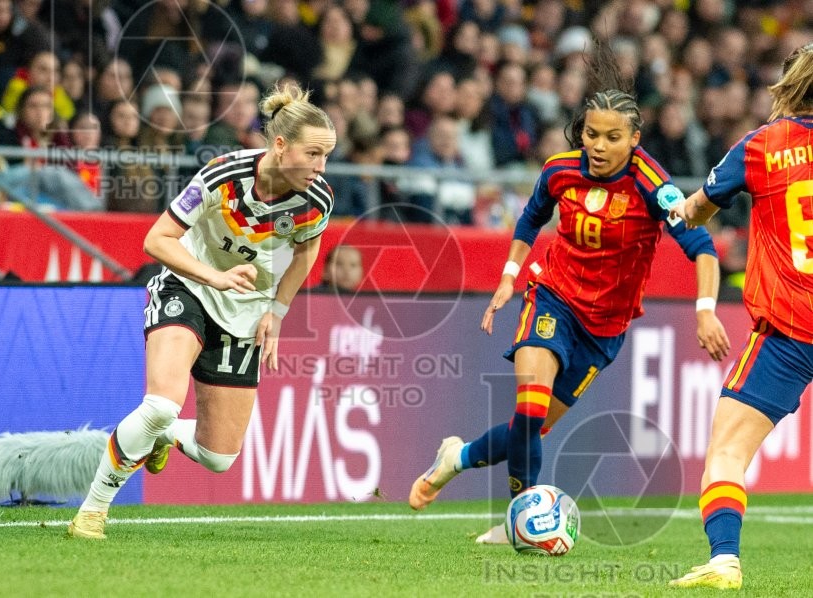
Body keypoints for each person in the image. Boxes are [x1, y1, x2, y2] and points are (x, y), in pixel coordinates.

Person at [407, 38, 732, 543]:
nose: (598, 146)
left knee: (528, 428)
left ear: (635, 139)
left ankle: (456, 457)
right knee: (530, 406)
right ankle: (520, 517)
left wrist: (706, 311)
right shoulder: (560, 170)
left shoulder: (653, 184)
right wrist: (508, 279)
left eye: (611, 137)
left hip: (605, 329)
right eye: (590, 134)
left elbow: (702, 245)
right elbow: (531, 218)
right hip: (553, 296)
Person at [68, 82, 337, 540]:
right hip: (189, 287)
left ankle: (166, 436)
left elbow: (307, 254)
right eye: (313, 154)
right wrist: (212, 276)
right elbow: (156, 240)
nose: (321, 166)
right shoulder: (221, 175)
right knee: (159, 403)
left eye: (326, 156)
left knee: (219, 457)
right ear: (279, 144)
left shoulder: (317, 201)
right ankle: (92, 512)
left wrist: (277, 309)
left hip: (245, 313)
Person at [668, 42, 813, 591]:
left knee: (727, 451)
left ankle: (724, 561)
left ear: (788, 86)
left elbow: (698, 209)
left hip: (790, 327)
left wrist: (679, 209)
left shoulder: (762, 146)